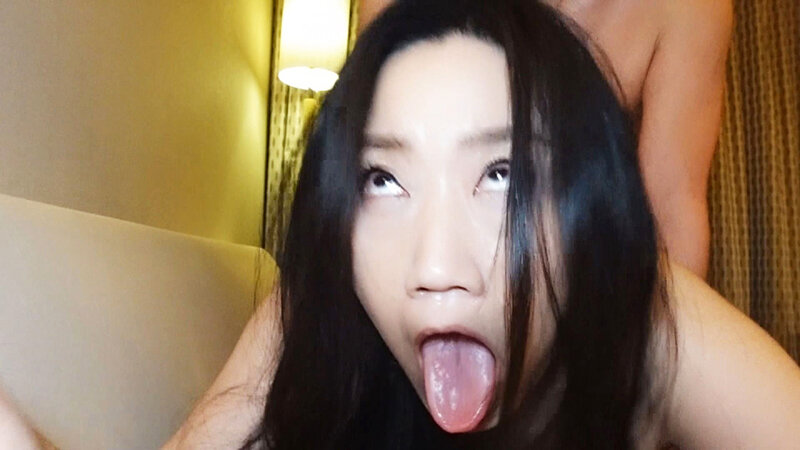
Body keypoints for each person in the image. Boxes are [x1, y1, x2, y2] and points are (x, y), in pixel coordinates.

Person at [3, 1, 799, 449]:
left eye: (507, 172)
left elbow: (671, 201)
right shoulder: (344, 280)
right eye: (383, 182)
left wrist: (643, 381)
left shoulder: (689, 10)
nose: (436, 265)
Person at [359, 0, 733, 279]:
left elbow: (672, 210)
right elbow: (365, 161)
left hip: (581, 281)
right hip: (417, 256)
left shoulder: (690, 9)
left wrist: (661, 355)